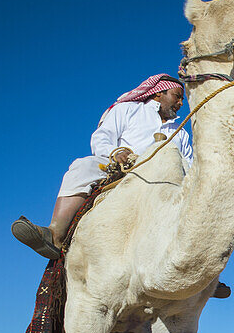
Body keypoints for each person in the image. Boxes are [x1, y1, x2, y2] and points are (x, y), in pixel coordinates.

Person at [11, 74, 195, 260]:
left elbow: (188, 162)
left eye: (182, 99)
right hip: (124, 167)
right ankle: (54, 234)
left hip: (166, 179)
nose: (181, 103)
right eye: (177, 96)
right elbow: (102, 136)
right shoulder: (128, 110)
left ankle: (200, 270)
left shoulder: (180, 132)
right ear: (158, 94)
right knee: (82, 166)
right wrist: (115, 152)